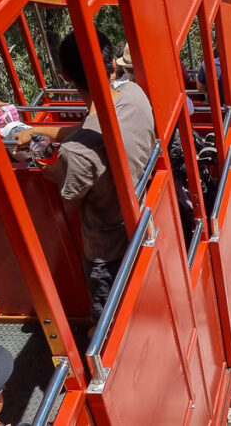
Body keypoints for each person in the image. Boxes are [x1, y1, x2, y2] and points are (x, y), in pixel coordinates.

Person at [18, 30, 156, 321]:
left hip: (108, 251)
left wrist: (47, 167)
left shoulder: (77, 153)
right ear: (114, 66)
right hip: (145, 218)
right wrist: (39, 131)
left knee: (108, 319)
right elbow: (92, 128)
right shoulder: (134, 95)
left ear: (66, 75)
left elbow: (71, 197)